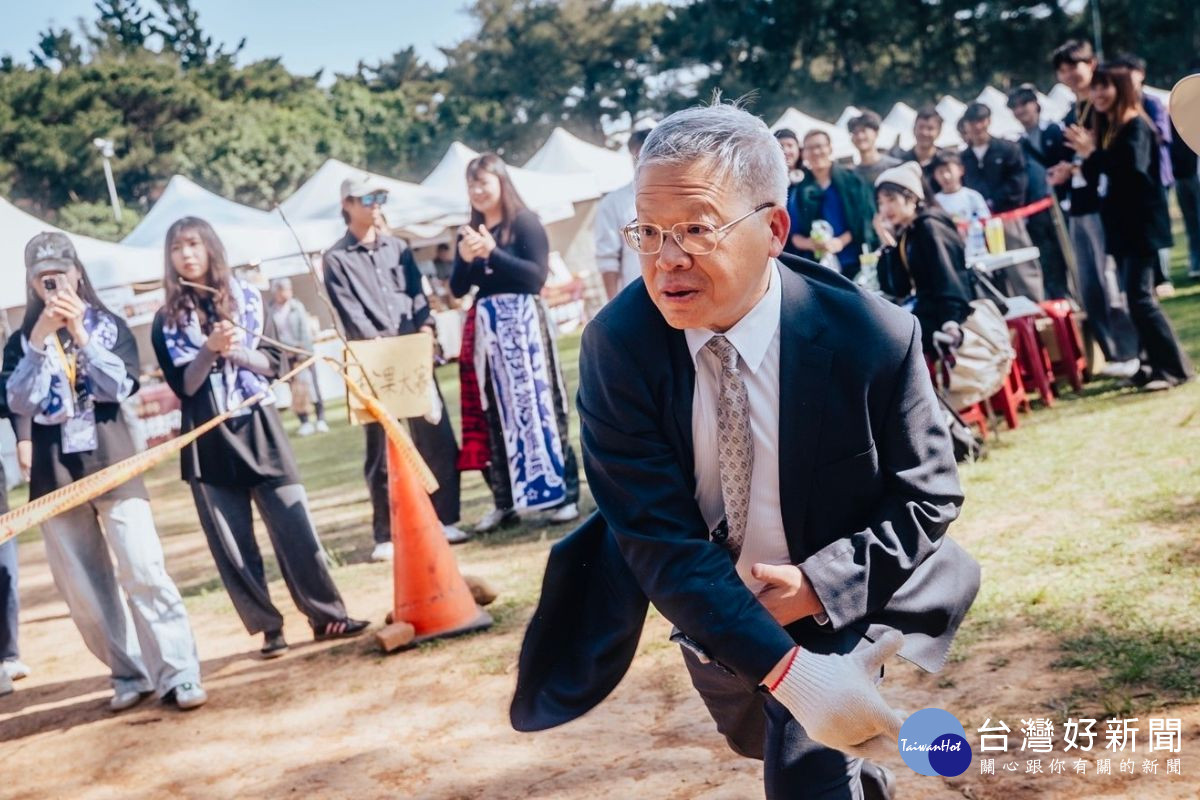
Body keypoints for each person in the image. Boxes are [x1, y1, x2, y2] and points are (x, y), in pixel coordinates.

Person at [511, 102, 980, 800]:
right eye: (648, 231)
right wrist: (785, 670)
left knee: (804, 766)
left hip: (839, 593)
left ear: (774, 230)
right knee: (764, 734)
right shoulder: (619, 346)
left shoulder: (871, 336)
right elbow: (655, 533)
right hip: (706, 601)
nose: (667, 259)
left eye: (697, 229)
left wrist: (819, 586)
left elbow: (929, 492)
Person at [2, 232, 206, 712]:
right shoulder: (20, 343)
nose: (53, 284)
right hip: (55, 478)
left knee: (144, 569)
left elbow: (119, 387)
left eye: (60, 273)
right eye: (42, 277)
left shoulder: (108, 326)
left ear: (77, 274)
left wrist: (80, 334)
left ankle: (178, 673)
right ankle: (128, 673)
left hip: (114, 464)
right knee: (86, 591)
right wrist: (38, 341)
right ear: (31, 283)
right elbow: (19, 402)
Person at [152, 217, 368, 658]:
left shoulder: (249, 298)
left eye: (193, 244)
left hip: (259, 426)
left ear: (211, 247)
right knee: (234, 546)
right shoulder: (166, 320)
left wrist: (236, 350)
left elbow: (274, 363)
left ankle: (327, 615)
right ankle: (268, 627)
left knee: (295, 525)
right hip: (209, 440)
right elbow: (184, 386)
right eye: (177, 248)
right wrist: (208, 349)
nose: (186, 254)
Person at [323, 177, 468, 558]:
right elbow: (350, 313)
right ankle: (386, 533)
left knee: (436, 437)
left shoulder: (399, 248)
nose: (375, 204)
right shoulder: (336, 258)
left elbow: (417, 295)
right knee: (382, 448)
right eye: (367, 198)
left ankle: (445, 518)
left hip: (413, 355)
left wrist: (425, 327)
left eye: (380, 197)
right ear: (347, 204)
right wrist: (382, 346)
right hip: (372, 361)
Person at [450, 153, 581, 532]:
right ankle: (504, 501)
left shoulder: (524, 222)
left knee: (542, 403)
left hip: (525, 327)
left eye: (483, 182)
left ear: (501, 182)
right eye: (471, 184)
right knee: (494, 411)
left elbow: (535, 277)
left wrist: (493, 253)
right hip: (489, 334)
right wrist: (464, 259)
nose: (477, 191)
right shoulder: (469, 232)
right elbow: (458, 288)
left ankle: (565, 494)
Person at [1066, 64, 1194, 391]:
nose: (1097, 94)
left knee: (1140, 298)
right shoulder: (1109, 127)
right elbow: (1100, 175)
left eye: (1104, 87)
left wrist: (1092, 154)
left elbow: (1130, 173)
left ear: (1120, 89)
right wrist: (1083, 159)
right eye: (1095, 88)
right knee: (1133, 298)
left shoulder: (1136, 125)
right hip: (1121, 227)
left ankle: (1174, 368)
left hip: (1141, 226)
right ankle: (1149, 365)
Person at [1047, 39, 1141, 377]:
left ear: (1092, 64)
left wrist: (1081, 162)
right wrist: (1067, 169)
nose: (1069, 74)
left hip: (1104, 207)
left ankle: (1131, 352)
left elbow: (1112, 159)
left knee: (1110, 281)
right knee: (1088, 286)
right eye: (1063, 69)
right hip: (1077, 207)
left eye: (1075, 65)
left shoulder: (1108, 110)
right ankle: (1111, 354)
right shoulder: (1070, 113)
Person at [873, 162, 976, 354]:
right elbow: (897, 287)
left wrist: (950, 322)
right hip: (924, 311)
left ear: (912, 198)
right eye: (880, 203)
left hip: (942, 318)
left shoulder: (930, 227)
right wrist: (888, 243)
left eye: (891, 200)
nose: (885, 209)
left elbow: (949, 276)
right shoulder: (907, 233)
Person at [960, 101, 1046, 301]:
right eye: (972, 122)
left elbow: (1018, 182)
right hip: (976, 225)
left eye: (981, 120)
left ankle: (1035, 306)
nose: (977, 126)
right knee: (987, 272)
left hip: (1008, 218)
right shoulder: (964, 157)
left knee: (1021, 266)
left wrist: (993, 203)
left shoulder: (1008, 149)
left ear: (988, 121)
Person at [1114, 53, 1176, 295]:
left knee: (1157, 226)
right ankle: (1149, 278)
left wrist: (1136, 111)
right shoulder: (1117, 107)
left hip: (1158, 176)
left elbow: (1160, 135)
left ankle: (1163, 278)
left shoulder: (1152, 103)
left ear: (1140, 74)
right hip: (1134, 181)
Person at [1008, 85, 1074, 299]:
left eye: (1024, 104)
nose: (1020, 110)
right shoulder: (1018, 143)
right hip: (1036, 210)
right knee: (1049, 259)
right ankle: (1060, 299)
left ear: (1035, 105)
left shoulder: (1054, 131)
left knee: (1071, 253)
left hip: (1062, 204)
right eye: (1015, 107)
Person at [788, 129, 877, 279]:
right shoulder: (799, 190)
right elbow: (794, 235)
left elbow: (864, 220)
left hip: (854, 262)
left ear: (830, 148)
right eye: (810, 148)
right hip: (817, 267)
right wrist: (813, 244)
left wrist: (840, 242)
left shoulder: (851, 181)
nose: (816, 152)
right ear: (804, 154)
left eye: (819, 146)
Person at [594, 129, 652, 300]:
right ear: (633, 154)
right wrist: (614, 305)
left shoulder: (681, 194)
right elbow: (607, 259)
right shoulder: (613, 203)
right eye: (641, 155)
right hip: (638, 296)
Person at [267, 277, 327, 437]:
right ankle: (304, 421)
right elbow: (273, 334)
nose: (287, 293)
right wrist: (285, 349)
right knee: (296, 390)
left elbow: (304, 332)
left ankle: (321, 419)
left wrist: (300, 350)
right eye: (283, 290)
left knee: (313, 386)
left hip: (303, 353)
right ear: (276, 292)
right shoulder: (271, 310)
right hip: (287, 356)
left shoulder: (296, 306)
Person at [932, 151, 991, 224]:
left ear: (961, 170)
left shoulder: (973, 196)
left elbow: (986, 221)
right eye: (941, 172)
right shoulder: (934, 201)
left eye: (949, 170)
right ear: (934, 175)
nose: (946, 176)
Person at [897, 106, 948, 189]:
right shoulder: (902, 161)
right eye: (921, 127)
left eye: (930, 128)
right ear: (913, 129)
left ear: (939, 132)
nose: (924, 133)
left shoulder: (946, 161)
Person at [848, 110, 901, 186]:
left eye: (863, 131)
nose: (860, 136)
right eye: (855, 133)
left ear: (876, 133)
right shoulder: (852, 175)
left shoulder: (895, 167)